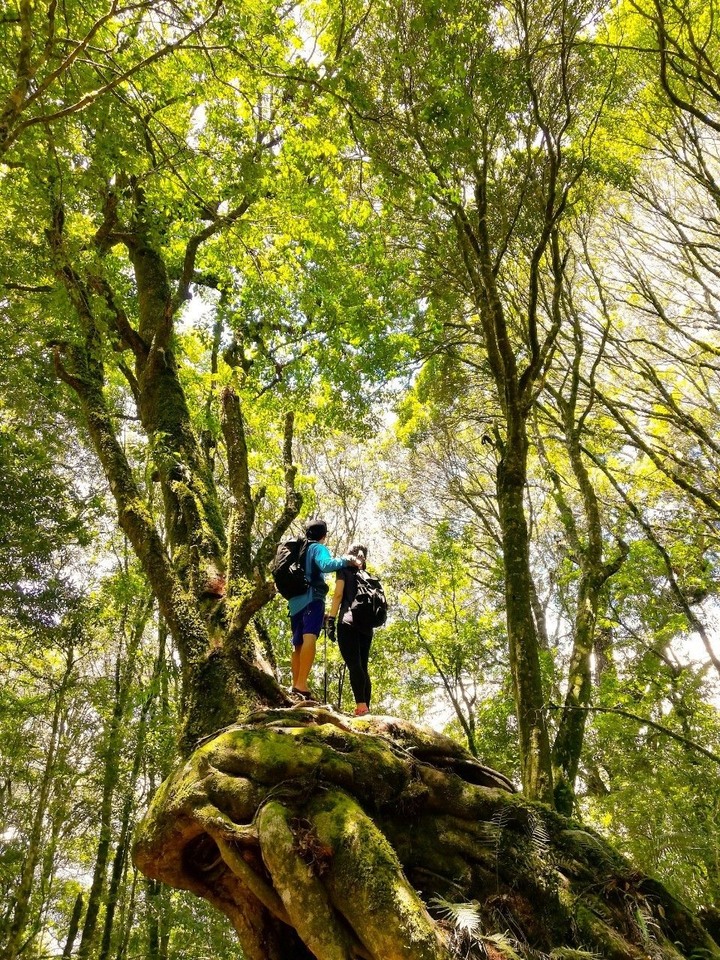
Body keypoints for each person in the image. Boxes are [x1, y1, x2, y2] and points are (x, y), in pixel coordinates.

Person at [288, 519, 361, 700]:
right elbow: (326, 565)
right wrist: (346, 560)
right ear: (324, 535)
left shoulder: (298, 550)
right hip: (312, 598)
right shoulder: (317, 548)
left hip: (294, 602)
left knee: (298, 643)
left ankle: (295, 684)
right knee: (309, 637)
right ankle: (301, 684)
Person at [325, 543, 374, 716]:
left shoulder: (344, 571)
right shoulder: (367, 576)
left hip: (347, 622)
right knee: (363, 666)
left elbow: (338, 594)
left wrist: (331, 619)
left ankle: (361, 706)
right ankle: (365, 708)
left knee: (354, 664)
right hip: (366, 626)